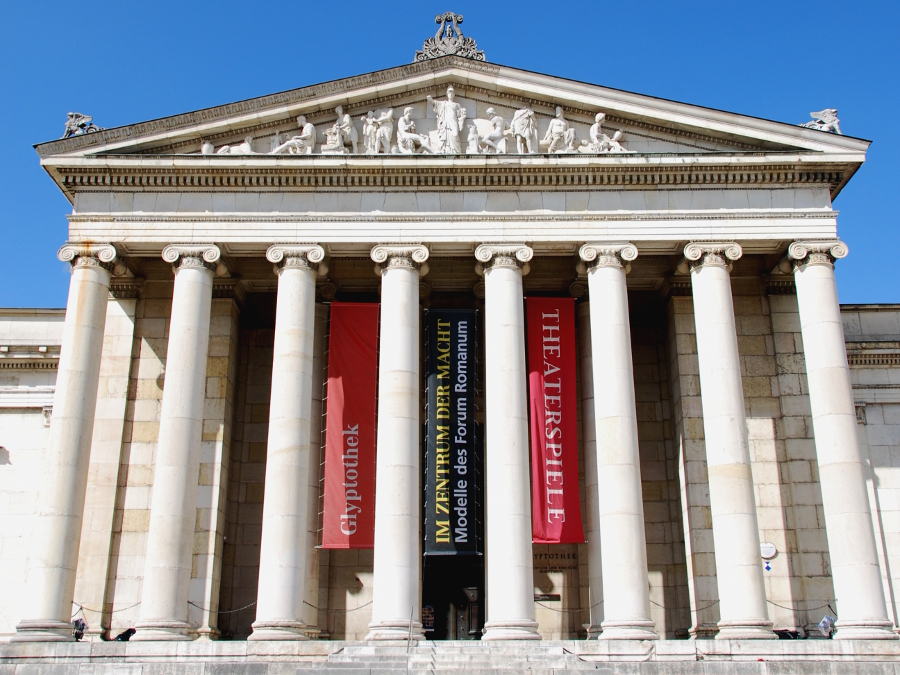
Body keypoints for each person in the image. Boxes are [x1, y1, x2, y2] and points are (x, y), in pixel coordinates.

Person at [427, 86, 467, 154]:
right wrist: (431, 100)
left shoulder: (457, 105)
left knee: (455, 135)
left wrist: (462, 120)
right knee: (445, 136)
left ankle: (456, 152)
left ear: (454, 94)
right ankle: (446, 150)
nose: (450, 94)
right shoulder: (444, 103)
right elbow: (435, 103)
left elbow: (460, 116)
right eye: (449, 93)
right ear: (447, 94)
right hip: (446, 124)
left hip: (454, 123)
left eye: (452, 93)